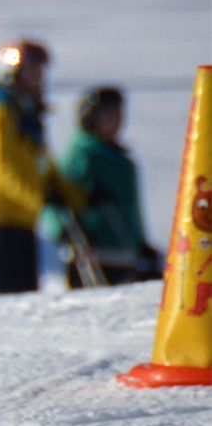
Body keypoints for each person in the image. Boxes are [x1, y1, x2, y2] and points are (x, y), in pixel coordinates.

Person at [0, 39, 84, 294]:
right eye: (31, 73)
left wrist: (75, 198)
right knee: (5, 299)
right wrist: (39, 199)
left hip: (21, 220)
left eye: (40, 73)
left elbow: (43, 165)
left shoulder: (28, 118)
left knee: (25, 294)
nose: (38, 79)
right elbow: (1, 167)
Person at [50, 86, 162, 287]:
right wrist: (61, 230)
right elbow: (57, 196)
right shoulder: (83, 155)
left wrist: (139, 242)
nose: (116, 121)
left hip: (124, 254)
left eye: (118, 114)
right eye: (107, 115)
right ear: (91, 119)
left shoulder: (121, 160)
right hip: (93, 256)